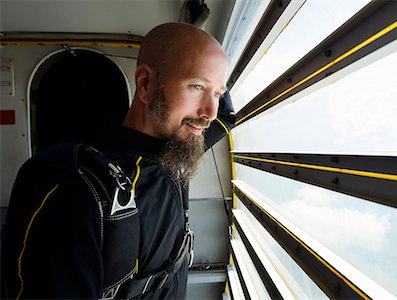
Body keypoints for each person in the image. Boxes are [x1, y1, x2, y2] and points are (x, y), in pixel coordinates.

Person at [1, 22, 235, 299]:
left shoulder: (178, 150)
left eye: (218, 94)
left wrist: (200, 40)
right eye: (197, 86)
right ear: (146, 84)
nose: (210, 111)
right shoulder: (78, 192)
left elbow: (226, 117)